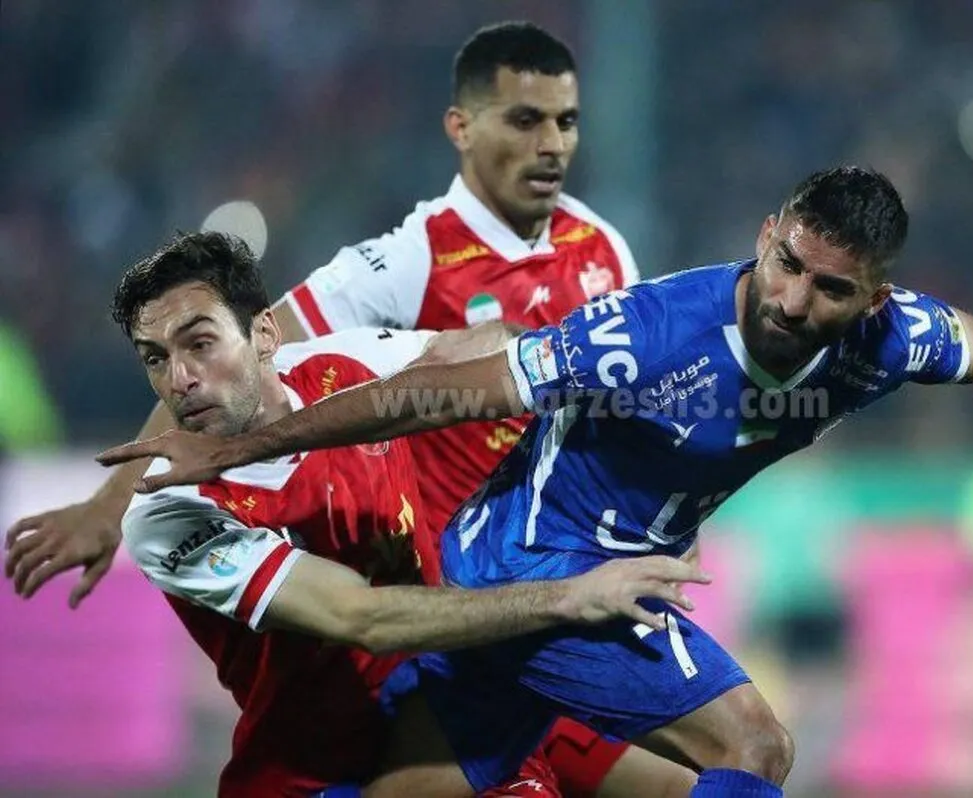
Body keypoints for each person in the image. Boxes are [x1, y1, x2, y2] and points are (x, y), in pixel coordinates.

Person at [101, 166, 973, 798]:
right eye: (787, 264)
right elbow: (441, 397)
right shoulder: (651, 335)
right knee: (754, 749)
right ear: (765, 238)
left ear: (873, 298)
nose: (794, 301)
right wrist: (232, 450)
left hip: (579, 571)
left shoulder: (892, 340)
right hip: (540, 564)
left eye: (830, 288)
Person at [5, 21, 681, 797]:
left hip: (507, 607)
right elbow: (227, 382)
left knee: (723, 760)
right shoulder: (406, 259)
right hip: (428, 634)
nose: (551, 144)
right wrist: (109, 505)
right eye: (525, 120)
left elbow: (531, 374)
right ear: (461, 127)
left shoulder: (603, 251)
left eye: (565, 121)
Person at [103, 230, 706, 797]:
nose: (180, 379)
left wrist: (639, 444)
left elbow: (486, 349)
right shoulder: (167, 513)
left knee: (699, 774)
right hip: (321, 771)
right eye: (155, 358)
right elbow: (361, 617)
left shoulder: (344, 371)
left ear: (263, 333)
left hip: (453, 701)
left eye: (200, 344)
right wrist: (571, 596)